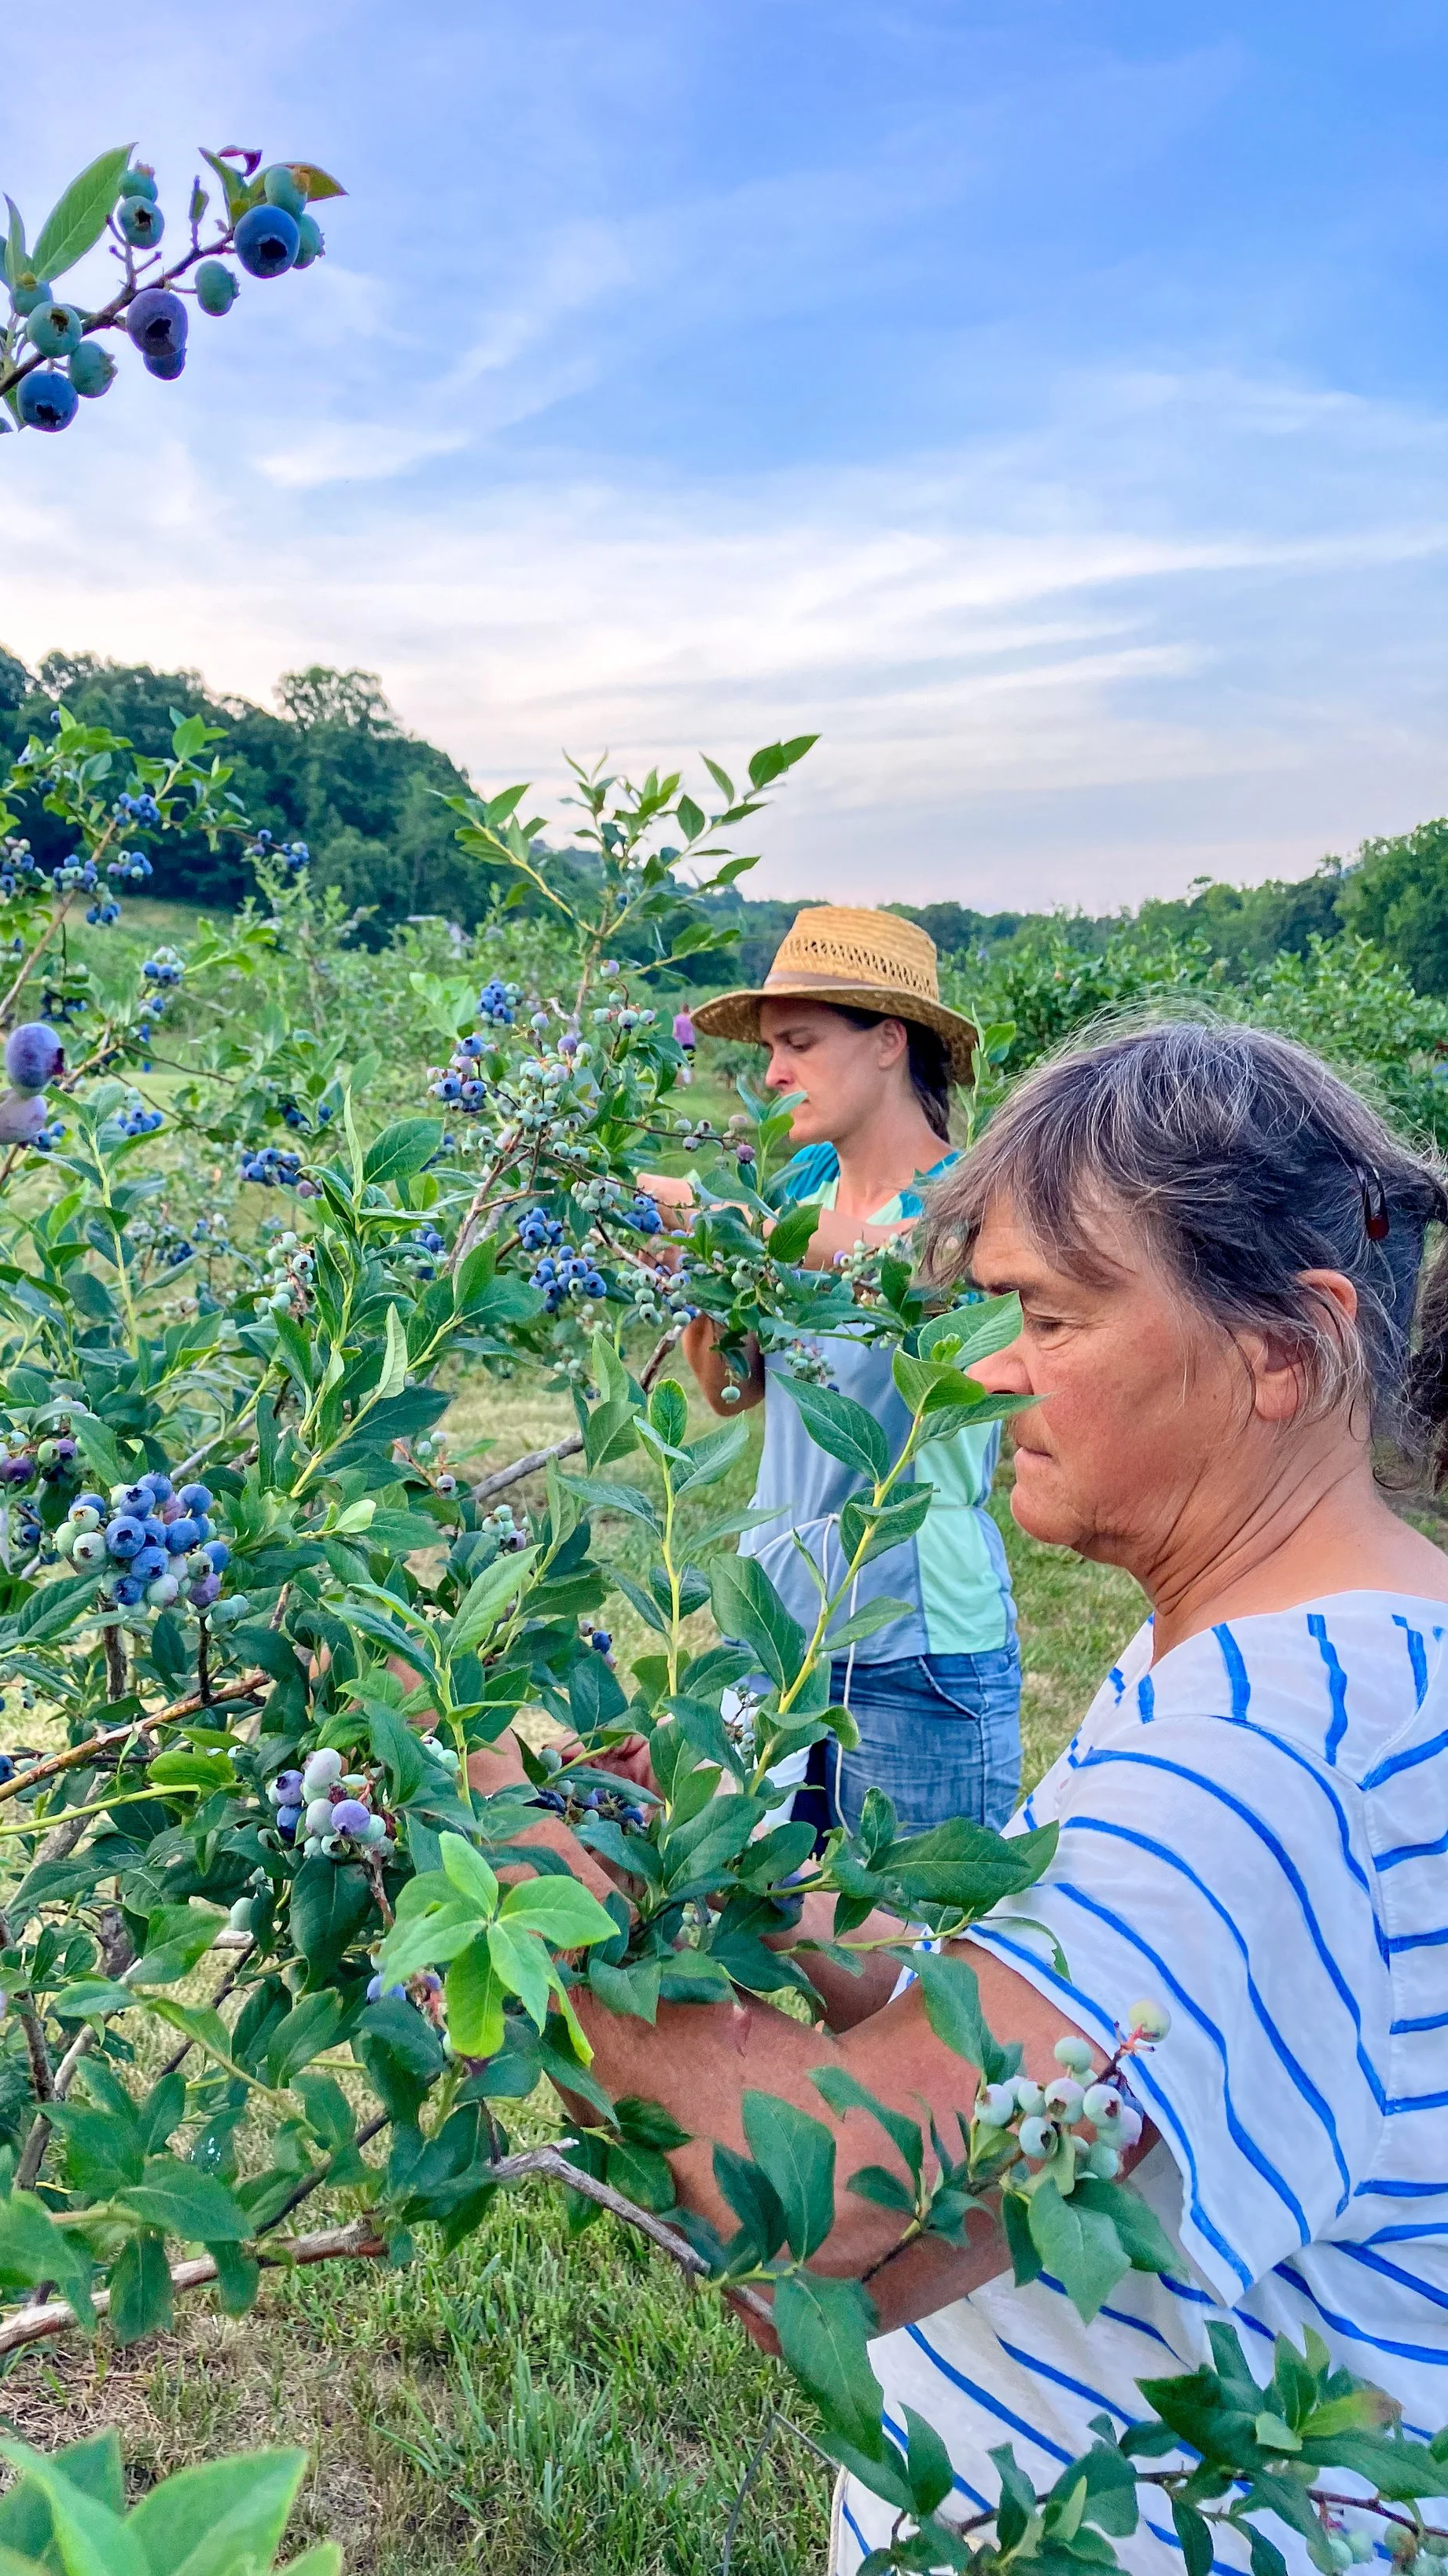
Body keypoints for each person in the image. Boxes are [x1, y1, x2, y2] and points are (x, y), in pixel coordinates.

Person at [502, 1020, 1448, 2574]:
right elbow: (1067, 2081)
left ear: (1283, 1347)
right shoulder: (1323, 1655)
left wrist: (512, 1868)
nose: (988, 1365)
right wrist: (769, 1880)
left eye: (1051, 1316)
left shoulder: (1262, 1764)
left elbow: (816, 2220)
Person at [647, 904, 1020, 1836]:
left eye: (800, 1044)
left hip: (915, 1651)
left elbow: (911, 1261)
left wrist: (733, 1226)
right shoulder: (793, 1191)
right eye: (770, 1049)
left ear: (888, 1042)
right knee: (757, 1930)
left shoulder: (976, 1202)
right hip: (774, 1633)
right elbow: (733, 1390)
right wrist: (709, 1280)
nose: (773, 1074)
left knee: (912, 1952)